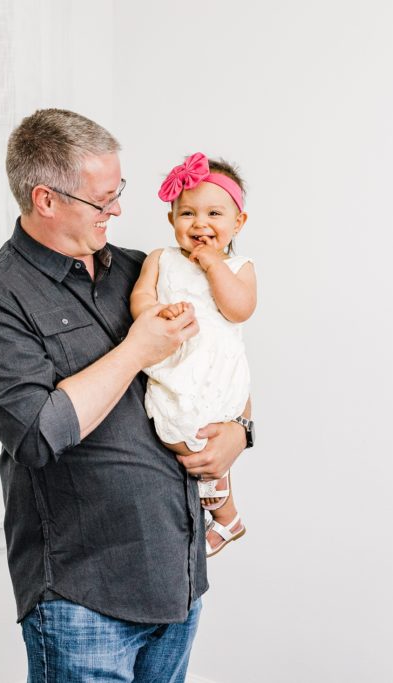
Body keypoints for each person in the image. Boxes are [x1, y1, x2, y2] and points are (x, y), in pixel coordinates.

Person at [0, 109, 250, 682]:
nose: (117, 209)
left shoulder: (143, 270)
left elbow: (224, 357)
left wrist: (241, 432)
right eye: (102, 199)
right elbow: (37, 434)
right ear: (46, 199)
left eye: (119, 191)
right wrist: (137, 348)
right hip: (85, 598)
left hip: (177, 579)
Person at [130, 152, 256, 558]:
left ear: (238, 223)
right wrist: (154, 311)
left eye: (214, 214)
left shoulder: (239, 266)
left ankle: (222, 508)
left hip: (217, 368)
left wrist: (212, 264)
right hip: (176, 362)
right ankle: (227, 514)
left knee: (210, 437)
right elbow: (140, 296)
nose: (200, 224)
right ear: (171, 221)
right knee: (177, 428)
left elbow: (239, 308)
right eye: (187, 214)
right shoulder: (160, 259)